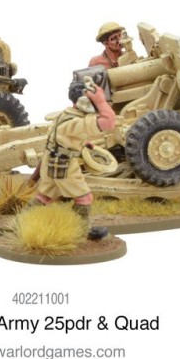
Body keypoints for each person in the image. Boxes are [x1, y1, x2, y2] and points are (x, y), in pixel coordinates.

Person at [30, 77, 116, 240]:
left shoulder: (65, 114)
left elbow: (62, 138)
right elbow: (109, 122)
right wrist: (100, 101)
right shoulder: (76, 122)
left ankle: (23, 221)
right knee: (85, 197)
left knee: (45, 196)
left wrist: (82, 143)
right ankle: (81, 230)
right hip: (64, 166)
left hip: (51, 162)